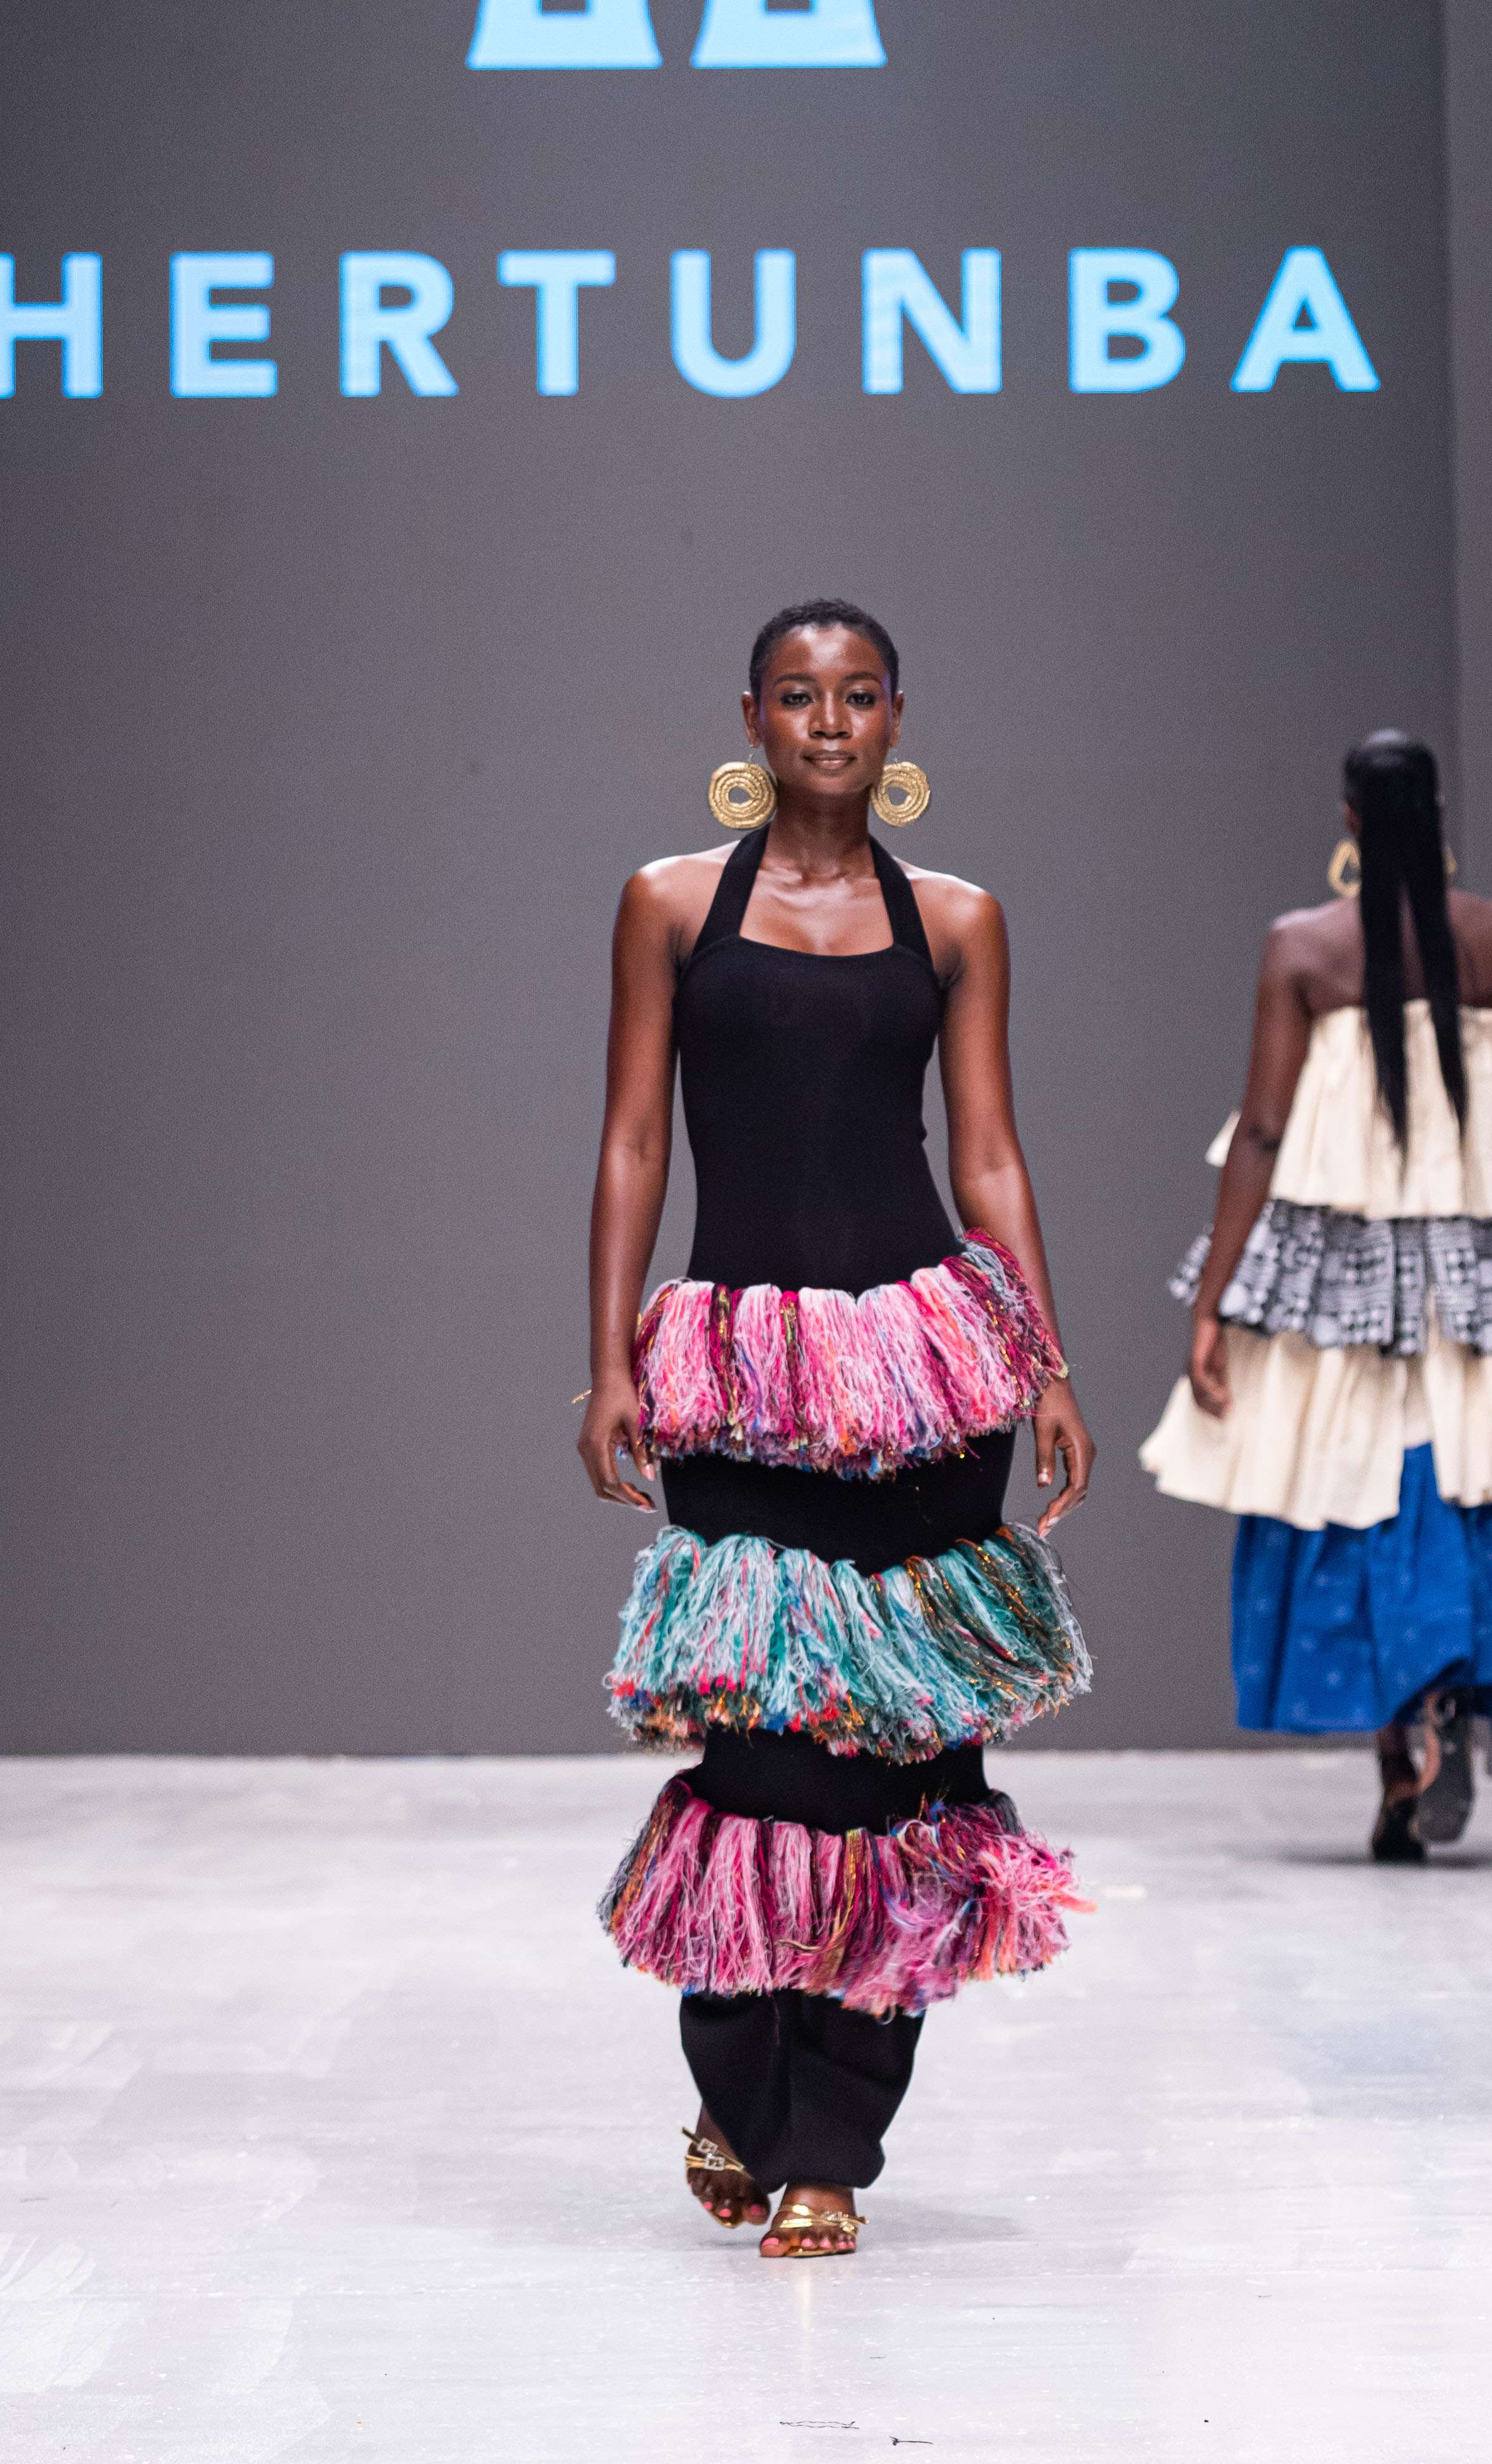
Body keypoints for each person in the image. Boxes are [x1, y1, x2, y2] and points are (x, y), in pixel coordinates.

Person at [581, 599, 1096, 2258]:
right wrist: (606, 1358)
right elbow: (633, 1138)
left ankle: (832, 2147)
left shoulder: (958, 917)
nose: (827, 721)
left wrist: (1047, 1362)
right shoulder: (670, 903)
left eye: (857, 694)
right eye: (798, 695)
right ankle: (743, 2085)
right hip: (738, 1375)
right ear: (750, 716)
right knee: (759, 1747)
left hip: (929, 1378)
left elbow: (989, 1151)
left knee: (898, 1763)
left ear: (896, 718)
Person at [1141, 731, 1492, 1860]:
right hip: (1479, 1269)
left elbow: (1264, 1133)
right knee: (1481, 1476)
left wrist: (1213, 1302)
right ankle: (1451, 1695)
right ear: (1439, 812)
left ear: (1350, 820)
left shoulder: (1305, 947)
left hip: (1334, 1271)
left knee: (1342, 1480)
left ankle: (1397, 1759)